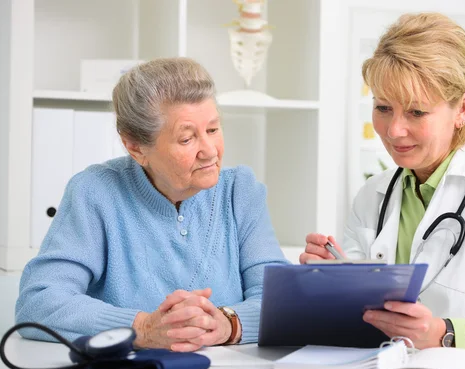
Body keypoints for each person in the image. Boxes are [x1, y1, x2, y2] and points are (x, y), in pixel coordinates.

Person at [300, 13, 465, 359]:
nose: (394, 130)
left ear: (462, 109)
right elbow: (361, 319)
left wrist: (442, 333)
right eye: (383, 107)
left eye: (416, 112)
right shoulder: (372, 196)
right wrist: (330, 280)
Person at [16, 58, 288, 351]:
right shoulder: (95, 192)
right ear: (136, 147)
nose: (209, 151)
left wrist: (228, 324)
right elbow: (39, 301)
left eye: (212, 130)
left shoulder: (240, 191)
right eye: (187, 138)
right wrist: (142, 328)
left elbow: (283, 300)